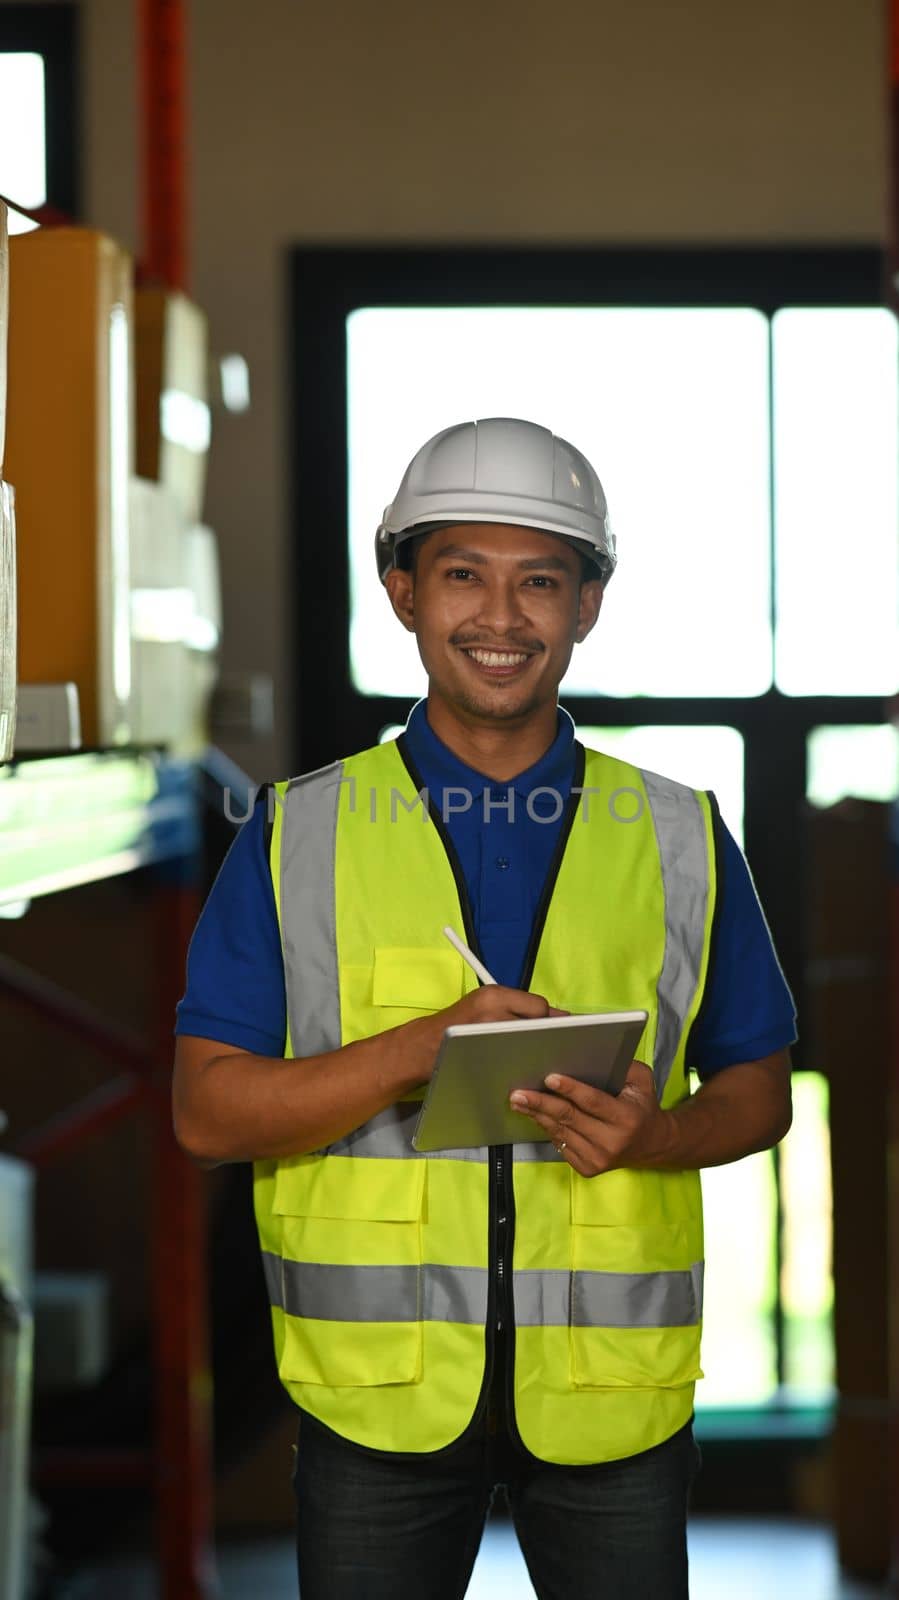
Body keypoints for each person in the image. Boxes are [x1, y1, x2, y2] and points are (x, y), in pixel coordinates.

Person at [173, 416, 796, 1600]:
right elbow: (206, 1114)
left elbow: (756, 1088)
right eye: (463, 574)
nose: (501, 620)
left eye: (540, 582)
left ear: (588, 603)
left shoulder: (679, 835)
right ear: (401, 591)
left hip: (609, 1402)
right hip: (377, 1400)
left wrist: (659, 1134)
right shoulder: (294, 835)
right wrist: (419, 1048)